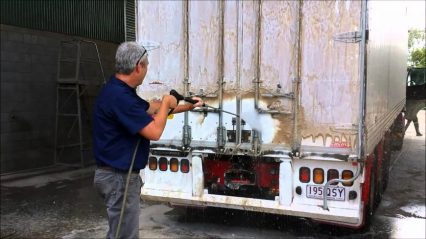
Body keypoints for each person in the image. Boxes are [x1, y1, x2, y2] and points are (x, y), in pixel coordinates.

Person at [92, 41, 203, 239]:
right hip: (119, 179)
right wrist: (167, 102)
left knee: (122, 233)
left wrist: (188, 106)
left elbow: (153, 109)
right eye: (147, 64)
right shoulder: (120, 97)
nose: (147, 69)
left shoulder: (121, 91)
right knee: (123, 236)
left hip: (119, 176)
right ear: (138, 67)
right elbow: (154, 131)